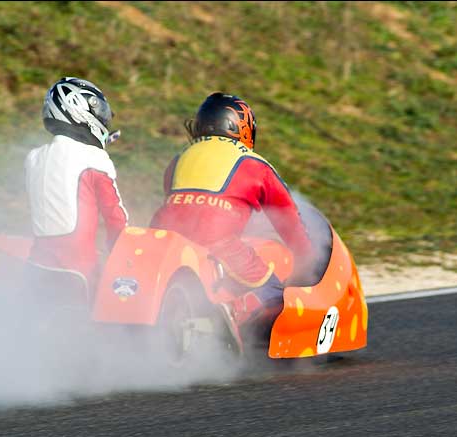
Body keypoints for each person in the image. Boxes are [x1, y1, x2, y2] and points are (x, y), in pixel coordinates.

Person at [150, 92, 314, 352]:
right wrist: (308, 265)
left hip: (165, 242)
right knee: (275, 294)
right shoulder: (255, 164)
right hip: (218, 242)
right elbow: (290, 222)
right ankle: (235, 310)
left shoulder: (179, 158)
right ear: (242, 127)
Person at [24, 77, 128, 288]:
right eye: (98, 110)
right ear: (78, 110)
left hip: (35, 268)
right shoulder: (94, 158)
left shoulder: (33, 158)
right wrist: (123, 260)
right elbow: (116, 220)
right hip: (79, 274)